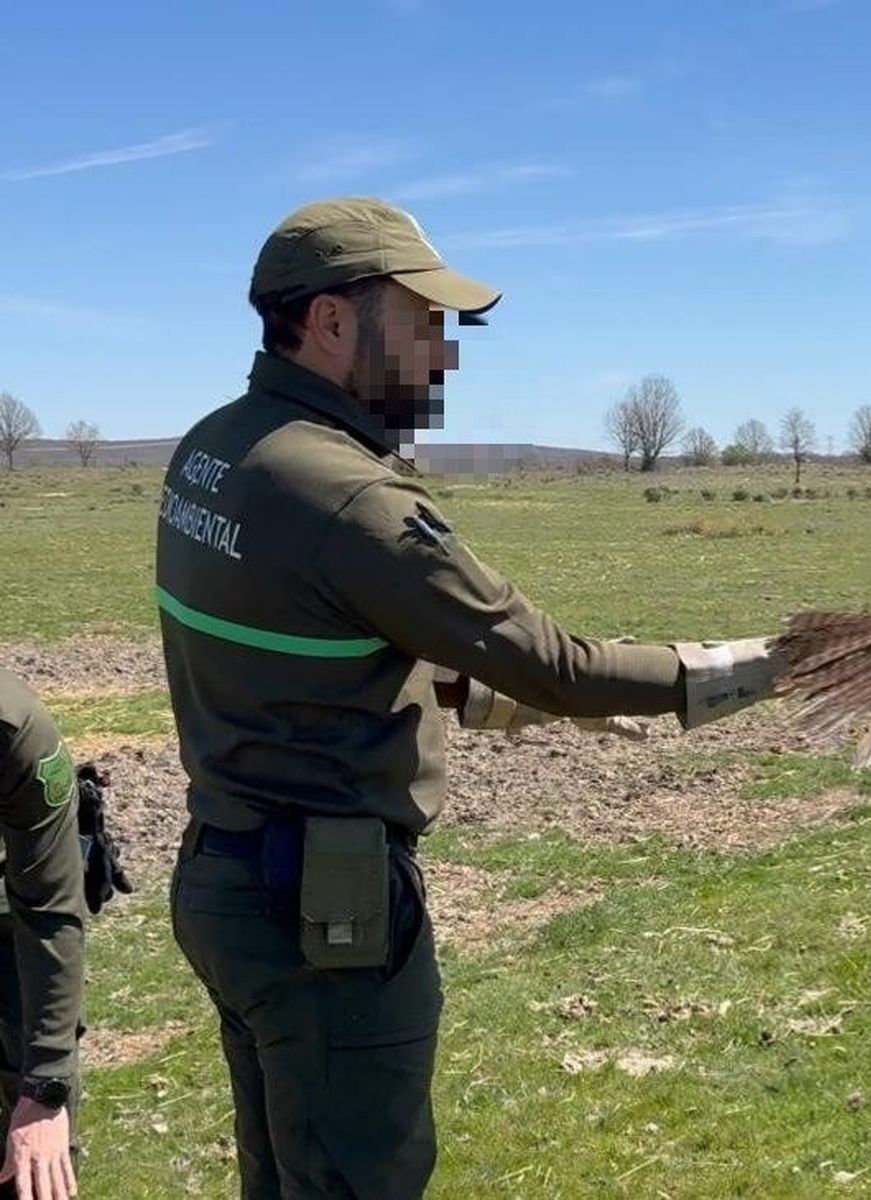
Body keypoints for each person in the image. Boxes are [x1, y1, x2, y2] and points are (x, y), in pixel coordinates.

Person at [156, 196, 780, 1199]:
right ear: (329, 321)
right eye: (422, 323)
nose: (444, 356)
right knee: (360, 1177)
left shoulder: (214, 449)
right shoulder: (353, 501)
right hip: (325, 918)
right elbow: (556, 668)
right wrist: (774, 663)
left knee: (283, 1171)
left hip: (224, 881)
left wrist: (466, 698)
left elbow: (309, 634)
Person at [0, 666, 87, 1200]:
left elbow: (51, 910)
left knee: (32, 1165)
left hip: (9, 919)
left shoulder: (15, 729)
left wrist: (45, 1091)